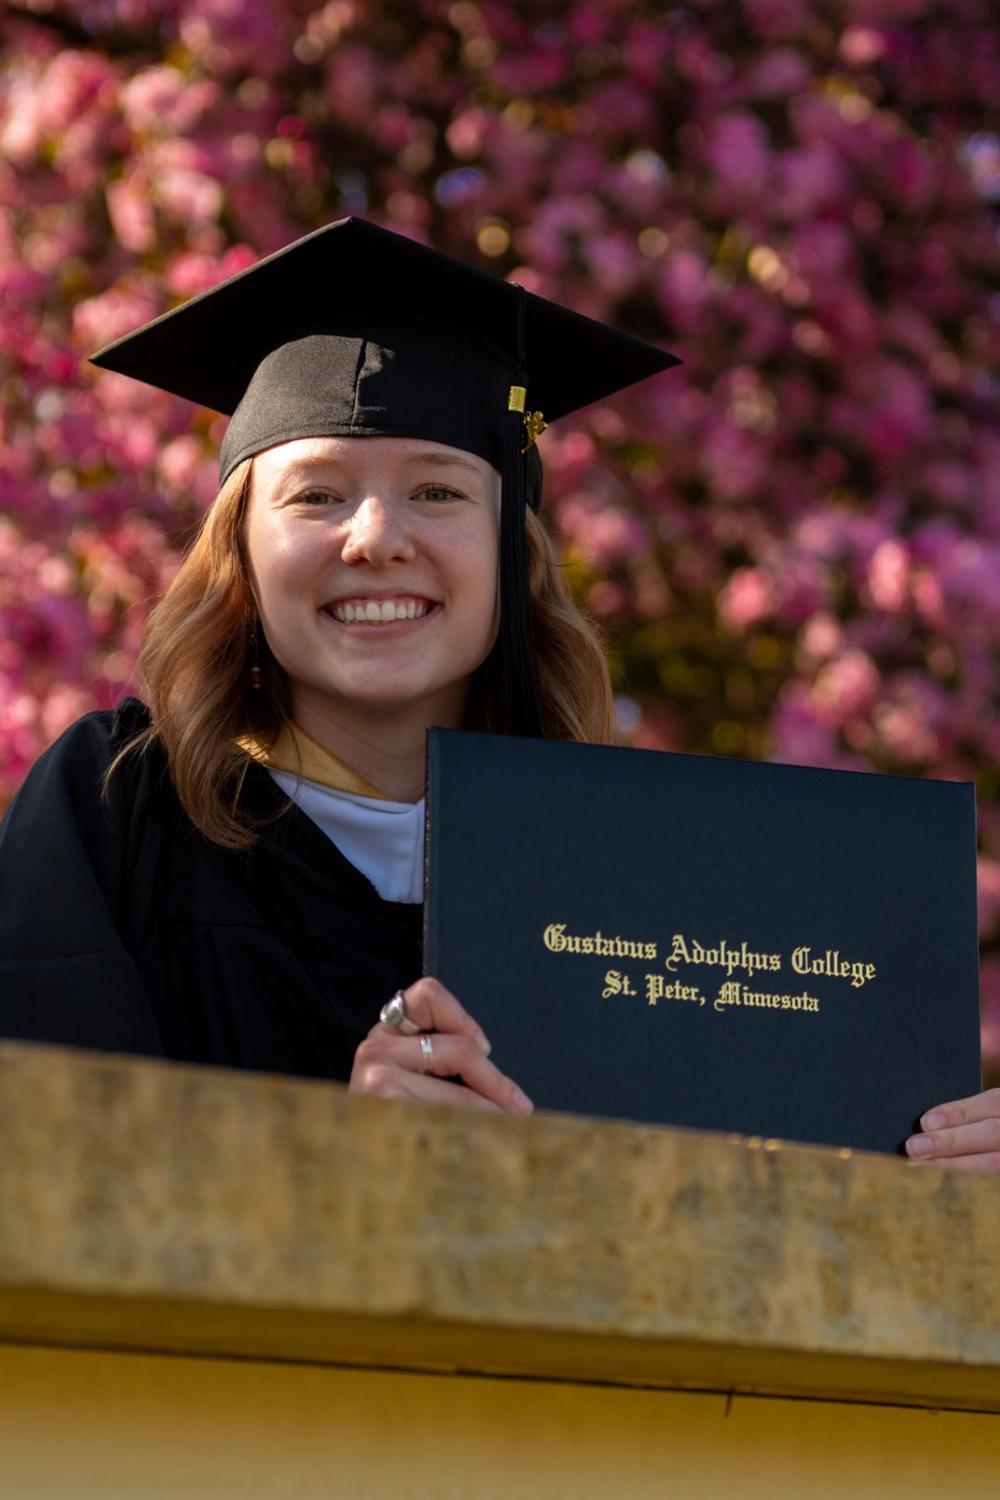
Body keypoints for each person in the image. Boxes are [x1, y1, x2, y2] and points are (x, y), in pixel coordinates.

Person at [1, 218, 997, 1166]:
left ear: (512, 559)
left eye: (438, 490)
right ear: (240, 555)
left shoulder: (642, 878)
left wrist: (928, 1183)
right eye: (316, 494)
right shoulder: (118, 810)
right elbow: (41, 1164)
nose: (377, 535)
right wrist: (334, 1171)